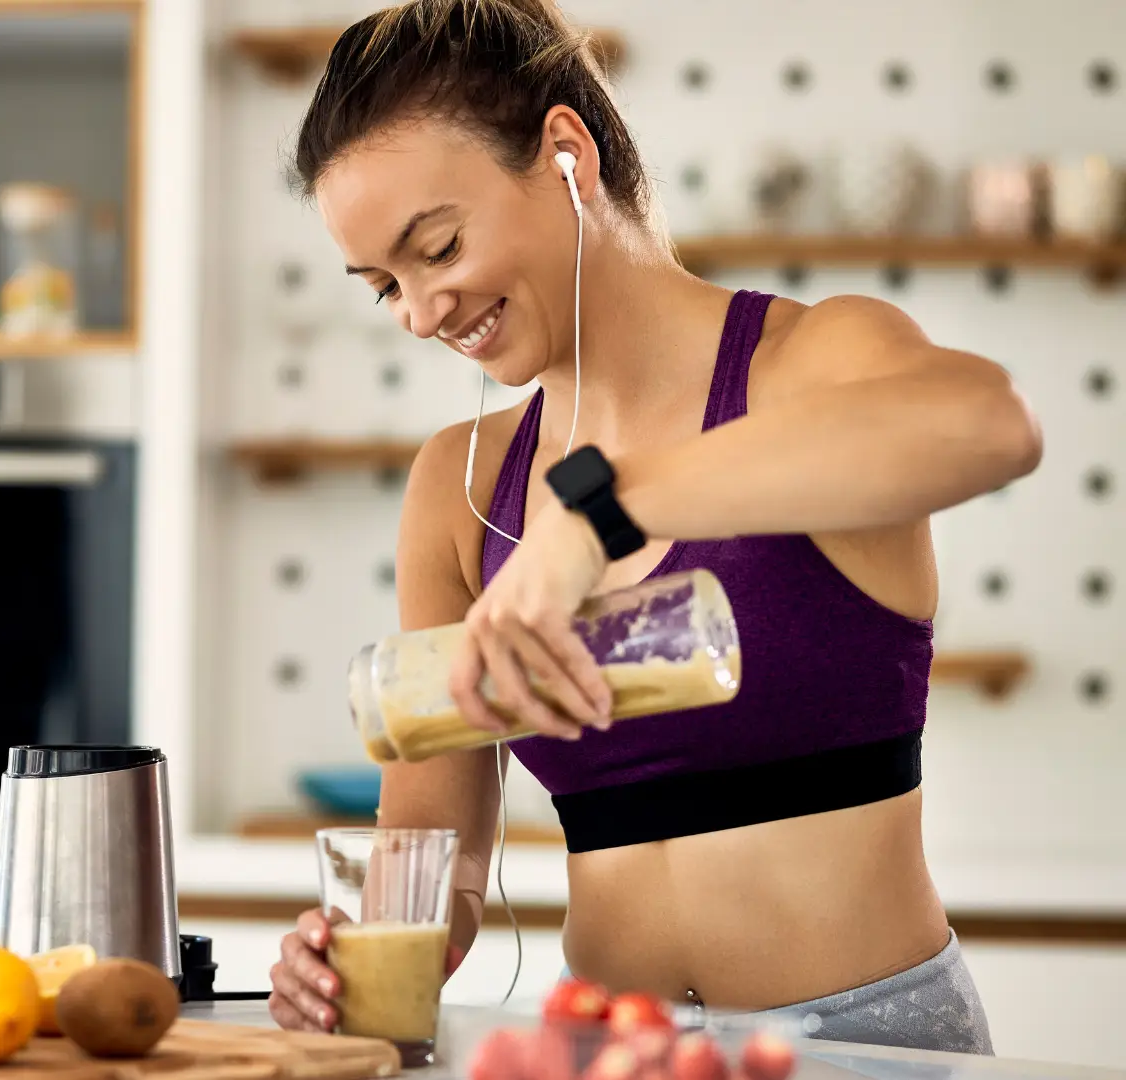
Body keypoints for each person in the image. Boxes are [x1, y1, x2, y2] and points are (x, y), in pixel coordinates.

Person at [267, 0, 1041, 1055]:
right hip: (618, 1049)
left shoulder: (807, 367)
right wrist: (359, 948)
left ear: (566, 151)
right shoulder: (463, 484)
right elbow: (433, 856)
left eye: (436, 247)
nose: (420, 312)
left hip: (872, 1048)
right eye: (384, 287)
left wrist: (602, 514)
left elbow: (991, 424)